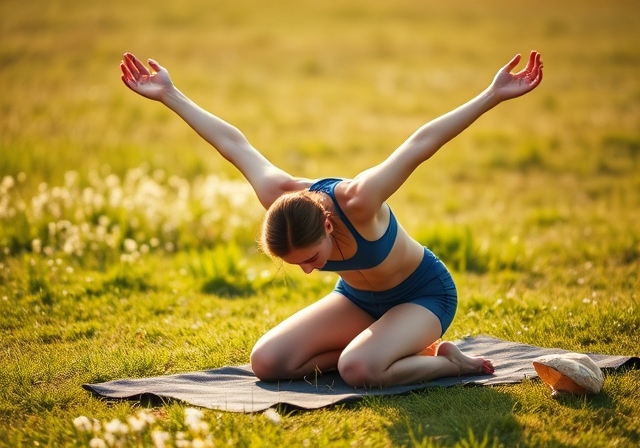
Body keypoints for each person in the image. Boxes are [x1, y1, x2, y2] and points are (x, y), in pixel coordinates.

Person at [120, 50, 543, 388]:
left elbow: (420, 144)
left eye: (309, 257)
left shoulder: (359, 200)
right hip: (359, 301)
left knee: (359, 370)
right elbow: (233, 143)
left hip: (422, 296)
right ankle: (383, 352)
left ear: (327, 224)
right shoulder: (278, 196)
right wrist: (169, 94)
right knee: (267, 362)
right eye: (296, 264)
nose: (307, 271)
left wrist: (493, 94)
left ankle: (448, 363)